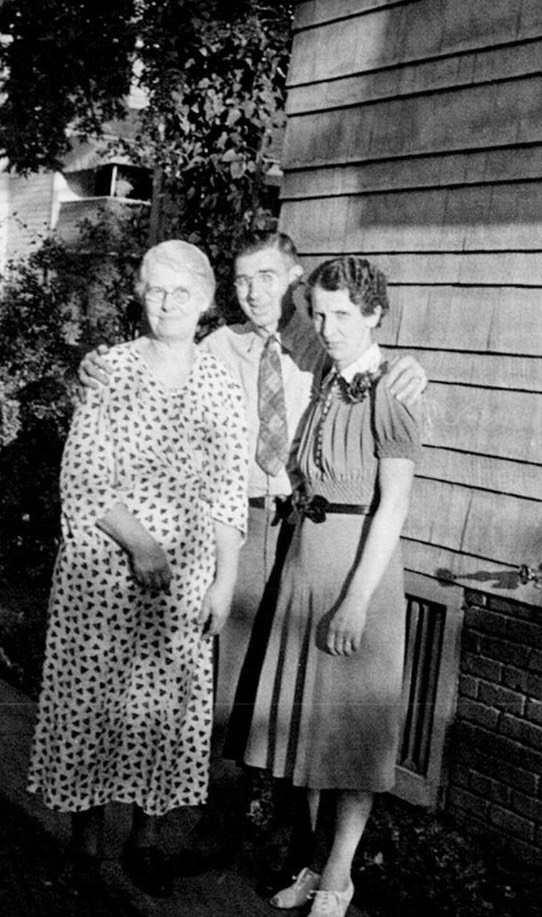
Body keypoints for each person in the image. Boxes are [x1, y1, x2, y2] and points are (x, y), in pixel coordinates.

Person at [79, 231, 427, 745]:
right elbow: (164, 367)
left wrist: (413, 370)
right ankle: (222, 801)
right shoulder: (219, 346)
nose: (254, 292)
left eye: (266, 277)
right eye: (242, 281)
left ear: (294, 279)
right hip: (243, 522)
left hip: (307, 523)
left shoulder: (324, 343)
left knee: (293, 672)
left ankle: (275, 809)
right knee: (233, 667)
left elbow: (375, 370)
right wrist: (94, 369)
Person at [27, 240, 248, 897]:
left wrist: (225, 579)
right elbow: (84, 475)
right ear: (140, 295)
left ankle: (145, 842)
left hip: (185, 583)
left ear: (208, 300)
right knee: (90, 704)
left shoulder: (220, 384)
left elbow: (229, 489)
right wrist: (141, 544)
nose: (168, 302)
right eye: (156, 289)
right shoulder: (114, 369)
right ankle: (86, 844)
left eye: (182, 291)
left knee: (167, 710)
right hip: (103, 574)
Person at [240, 254, 421, 917]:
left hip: (358, 574)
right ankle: (314, 864)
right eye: (319, 312)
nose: (328, 325)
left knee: (350, 742)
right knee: (307, 736)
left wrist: (354, 599)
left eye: (343, 313)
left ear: (374, 312)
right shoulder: (324, 379)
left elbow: (394, 506)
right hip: (303, 562)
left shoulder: (393, 391)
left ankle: (339, 878)